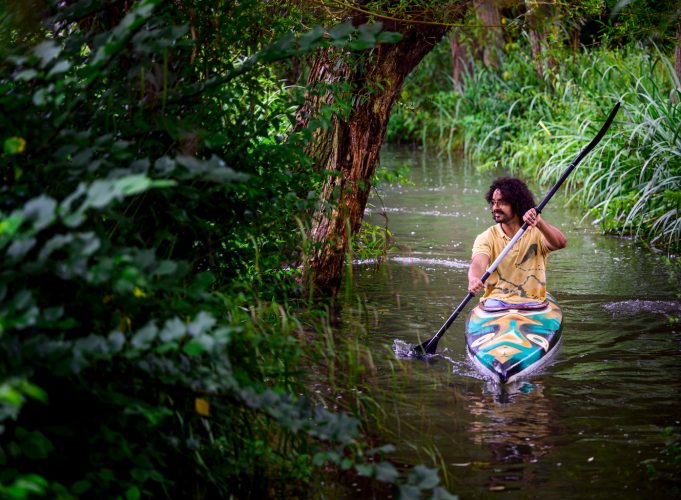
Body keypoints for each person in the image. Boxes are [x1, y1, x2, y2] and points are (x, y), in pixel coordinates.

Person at [467, 177, 567, 308]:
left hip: (533, 302)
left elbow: (560, 243)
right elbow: (478, 263)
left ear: (517, 204)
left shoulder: (537, 232)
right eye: (493, 202)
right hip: (496, 302)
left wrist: (540, 223)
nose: (495, 208)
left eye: (501, 203)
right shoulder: (486, 237)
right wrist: (474, 279)